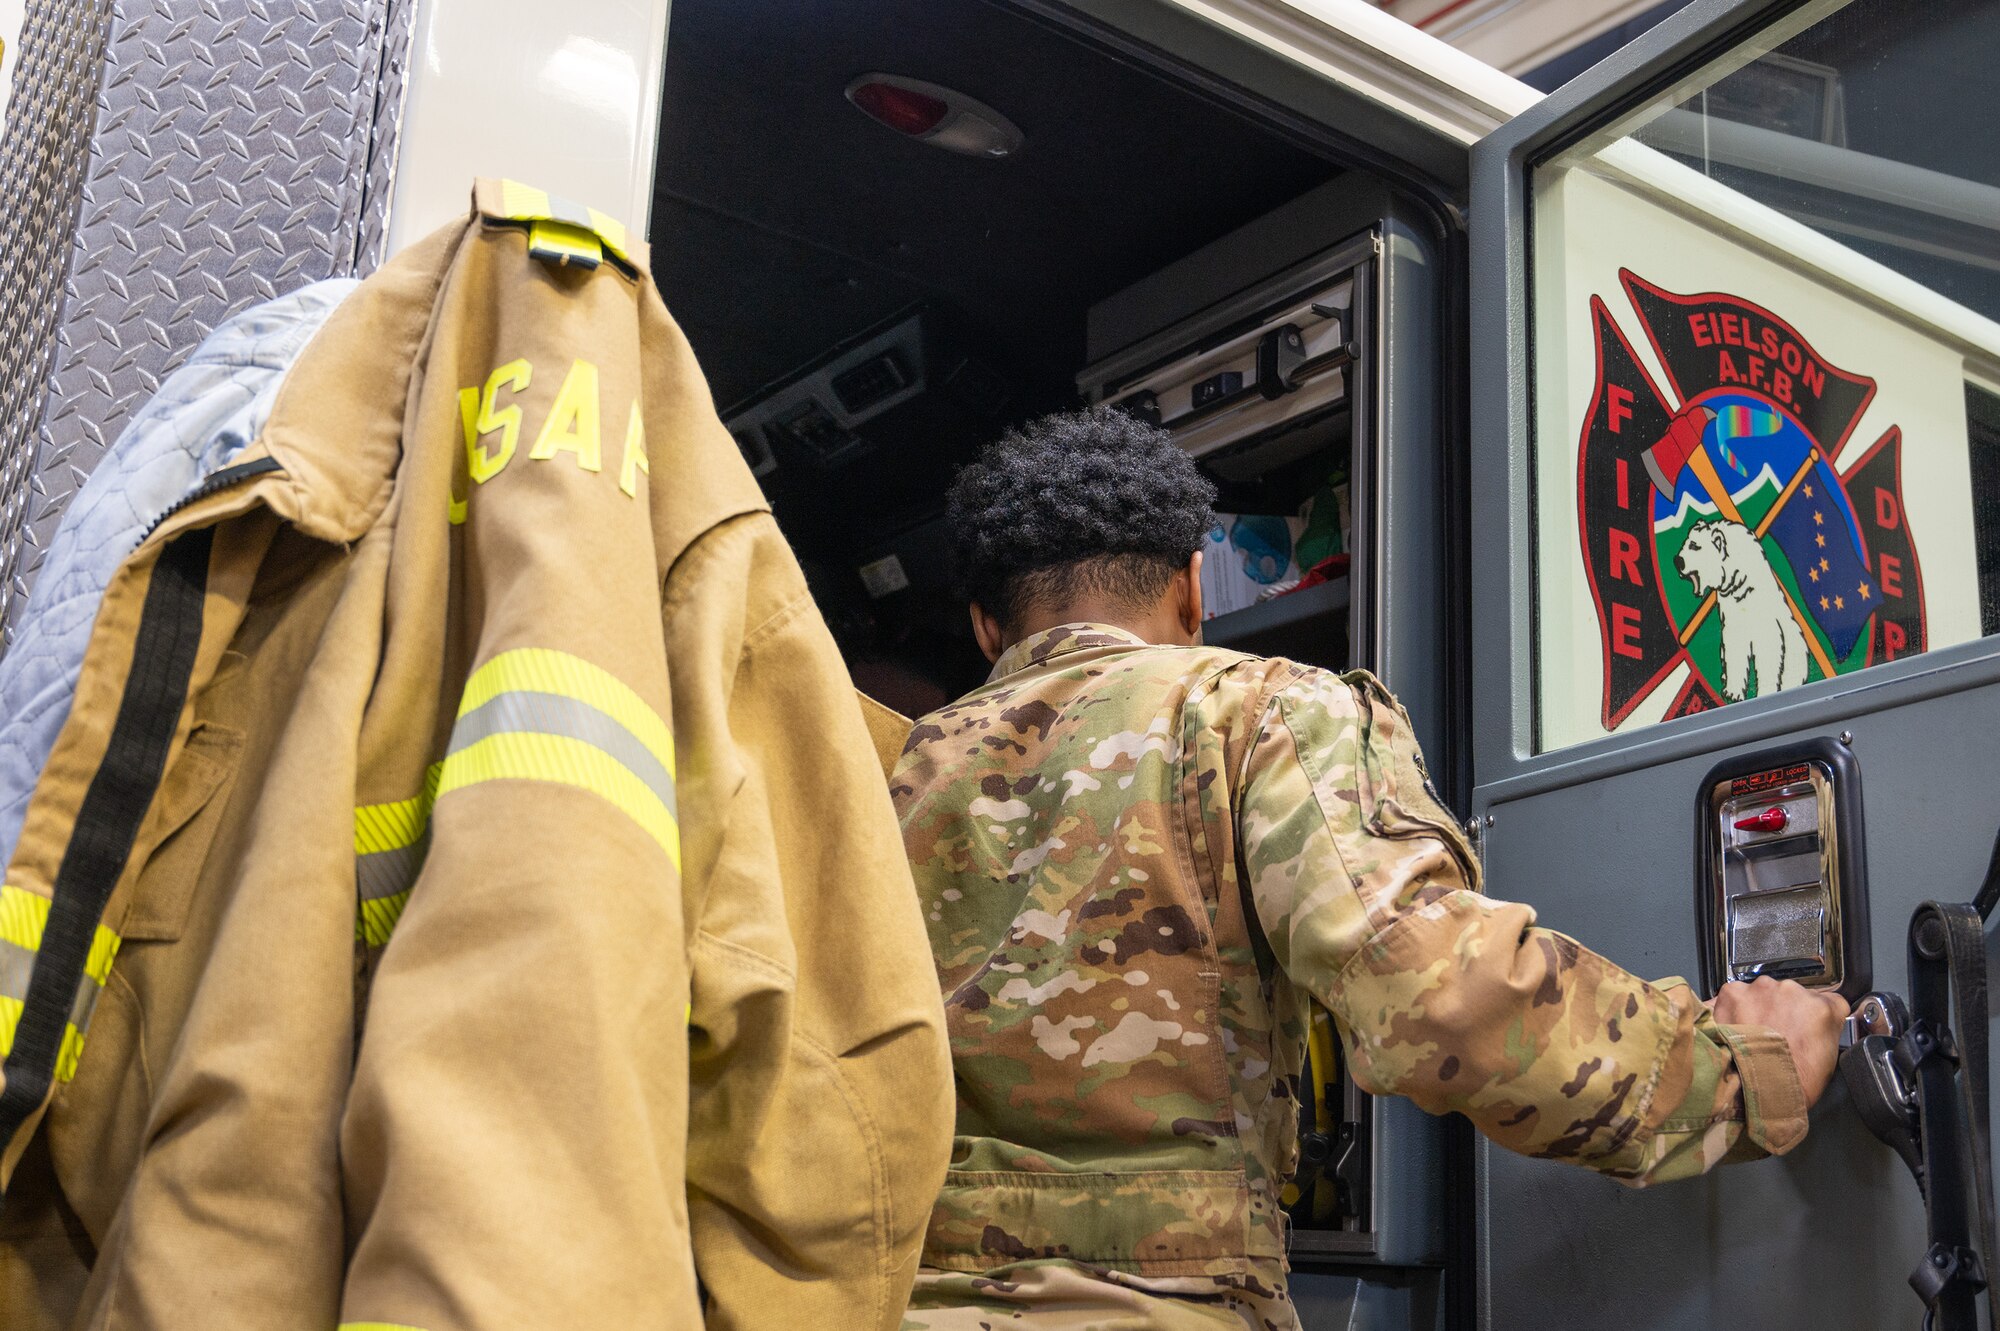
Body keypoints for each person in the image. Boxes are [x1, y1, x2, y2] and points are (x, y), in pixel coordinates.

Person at [892, 406, 1849, 1330]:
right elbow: (1437, 988)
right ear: (1194, 586)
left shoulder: (889, 771)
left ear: (985, 627)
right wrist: (1742, 1077)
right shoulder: (1253, 709)